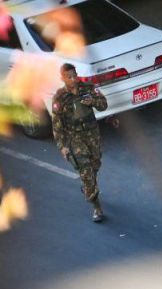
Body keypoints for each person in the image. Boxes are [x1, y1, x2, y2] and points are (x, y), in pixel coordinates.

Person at [52, 63, 108, 222]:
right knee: (86, 171)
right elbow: (56, 124)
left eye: (75, 75)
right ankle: (96, 206)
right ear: (62, 78)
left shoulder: (89, 88)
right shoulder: (60, 97)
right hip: (74, 138)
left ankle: (88, 186)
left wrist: (93, 102)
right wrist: (62, 146)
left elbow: (104, 105)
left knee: (95, 164)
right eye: (69, 77)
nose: (73, 79)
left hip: (92, 134)